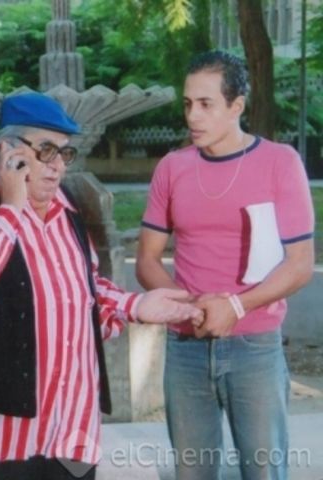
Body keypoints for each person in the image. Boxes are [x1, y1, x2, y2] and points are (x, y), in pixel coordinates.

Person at [0, 92, 203, 480]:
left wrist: (135, 306)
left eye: (64, 153)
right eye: (46, 151)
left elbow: (81, 290)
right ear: (8, 151)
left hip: (73, 432)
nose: (57, 166)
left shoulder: (65, 208)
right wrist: (10, 208)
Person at [136, 50, 315, 480]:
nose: (192, 116)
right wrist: (193, 307)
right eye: (187, 103)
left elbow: (300, 264)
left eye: (205, 104)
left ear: (237, 106)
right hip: (186, 346)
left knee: (264, 472)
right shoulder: (172, 168)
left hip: (255, 346)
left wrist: (234, 306)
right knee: (193, 474)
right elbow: (146, 260)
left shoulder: (280, 162)